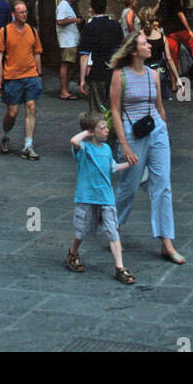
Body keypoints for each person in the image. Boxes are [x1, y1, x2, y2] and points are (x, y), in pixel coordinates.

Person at [110, 31, 185, 263]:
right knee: (129, 185)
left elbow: (159, 106)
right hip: (133, 133)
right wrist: (123, 144)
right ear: (134, 51)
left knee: (163, 185)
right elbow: (115, 111)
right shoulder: (119, 76)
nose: (150, 46)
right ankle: (115, 230)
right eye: (145, 44)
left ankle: (166, 242)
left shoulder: (154, 75)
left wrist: (165, 130)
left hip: (157, 131)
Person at [65, 112, 134, 283]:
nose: (107, 130)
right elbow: (74, 141)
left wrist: (129, 164)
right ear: (92, 132)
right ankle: (72, 253)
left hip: (106, 196)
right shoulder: (84, 149)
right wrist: (88, 132)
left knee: (112, 231)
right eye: (102, 128)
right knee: (81, 229)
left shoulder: (108, 149)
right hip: (87, 195)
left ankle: (120, 267)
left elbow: (112, 167)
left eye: (106, 127)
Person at [0, 0, 43, 159]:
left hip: (30, 75)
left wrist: (39, 74)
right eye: (21, 12)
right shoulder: (5, 31)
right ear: (14, 14)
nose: (25, 14)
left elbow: (36, 53)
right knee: (12, 113)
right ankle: (6, 134)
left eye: (26, 11)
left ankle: (28, 145)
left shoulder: (33, 31)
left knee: (31, 107)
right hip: (12, 77)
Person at [78, 0, 123, 114]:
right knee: (116, 109)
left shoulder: (89, 27)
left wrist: (82, 79)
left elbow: (84, 55)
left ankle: (101, 131)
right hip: (115, 72)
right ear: (106, 7)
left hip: (98, 72)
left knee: (98, 110)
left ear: (91, 9)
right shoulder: (115, 25)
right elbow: (121, 50)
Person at [155, 0, 193, 80]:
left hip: (168, 32)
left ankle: (174, 83)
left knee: (172, 57)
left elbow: (156, 13)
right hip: (179, 28)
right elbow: (180, 14)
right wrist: (190, 30)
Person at [139, 6, 183, 101]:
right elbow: (169, 59)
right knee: (161, 106)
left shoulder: (138, 36)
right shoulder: (161, 36)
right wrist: (178, 79)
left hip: (144, 74)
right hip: (160, 73)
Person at [56, 0, 81, 99]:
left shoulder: (67, 6)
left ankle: (65, 88)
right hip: (67, 41)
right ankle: (64, 91)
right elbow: (60, 21)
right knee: (66, 64)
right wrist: (74, 20)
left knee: (73, 64)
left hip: (71, 40)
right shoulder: (63, 5)